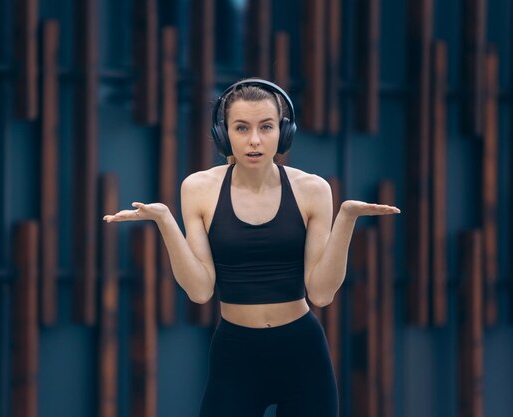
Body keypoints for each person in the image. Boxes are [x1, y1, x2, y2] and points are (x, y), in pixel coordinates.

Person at [103, 78, 400, 417]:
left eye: (267, 127)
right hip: (236, 353)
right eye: (241, 128)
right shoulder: (199, 188)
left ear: (283, 132)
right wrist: (164, 220)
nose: (255, 140)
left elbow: (321, 294)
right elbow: (200, 291)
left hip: (302, 352)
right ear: (223, 134)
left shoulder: (312, 189)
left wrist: (346, 218)